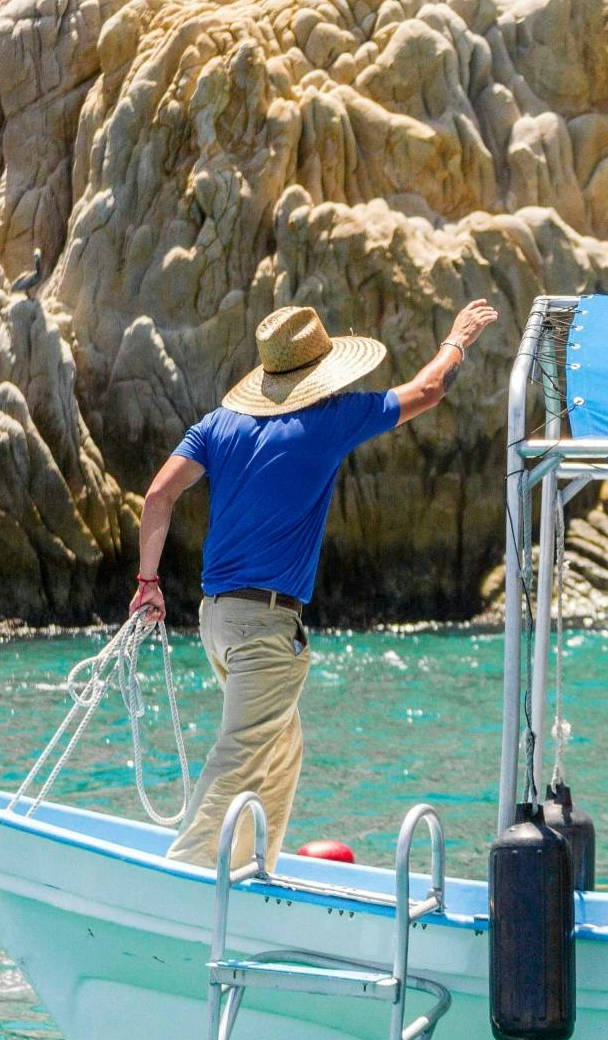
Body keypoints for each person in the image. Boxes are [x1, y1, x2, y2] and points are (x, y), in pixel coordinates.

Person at [132, 299, 500, 868]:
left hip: (217, 621)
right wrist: (458, 338)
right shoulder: (328, 420)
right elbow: (429, 390)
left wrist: (148, 582)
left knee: (280, 751)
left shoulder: (216, 425)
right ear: (321, 372)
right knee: (244, 752)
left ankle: (253, 870)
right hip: (265, 625)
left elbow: (158, 496)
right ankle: (188, 877)